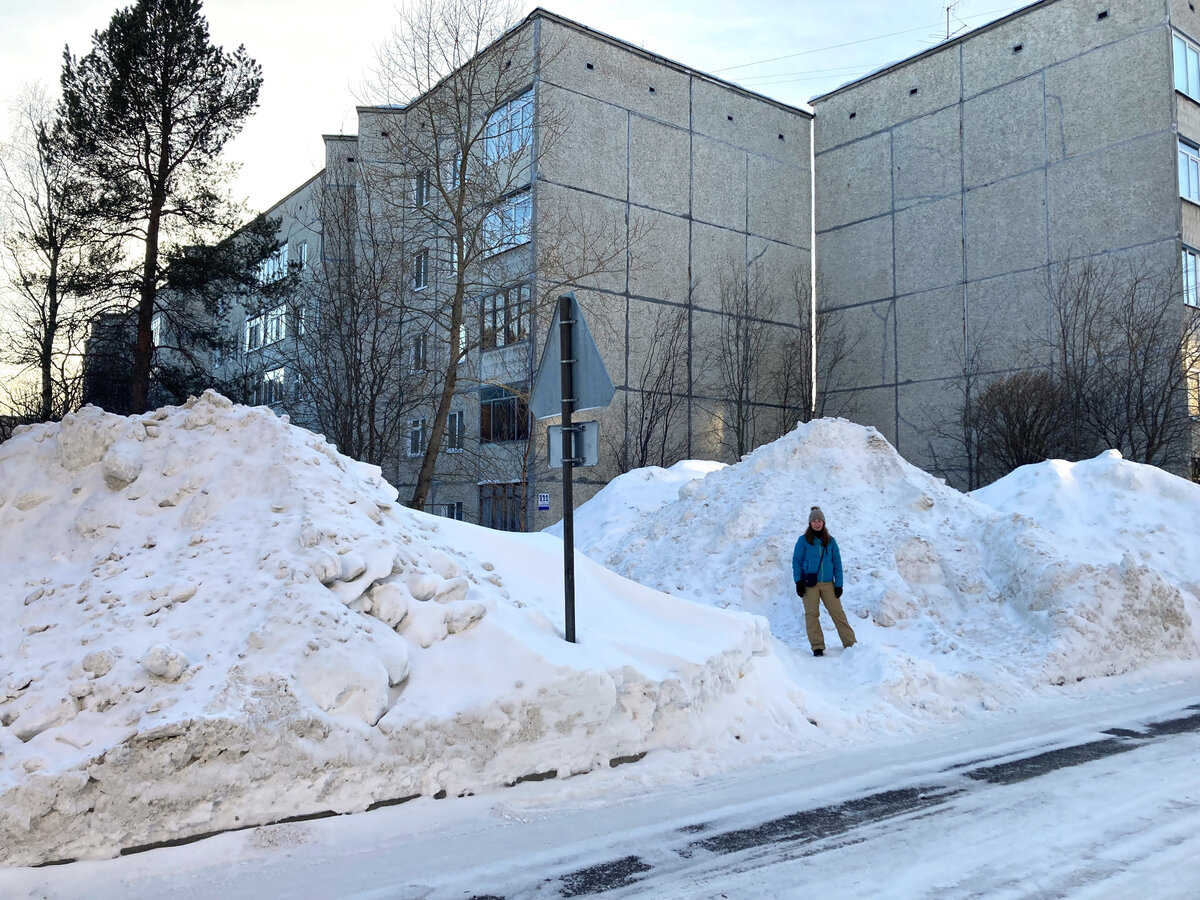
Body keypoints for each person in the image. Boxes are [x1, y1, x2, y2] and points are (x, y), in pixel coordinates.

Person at [792, 506, 857, 657]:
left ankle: (850, 643)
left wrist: (839, 584)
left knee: (838, 613)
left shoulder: (831, 541)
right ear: (810, 523)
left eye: (819, 520)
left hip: (828, 584)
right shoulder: (803, 541)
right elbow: (796, 561)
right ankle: (817, 646)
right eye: (813, 521)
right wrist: (798, 582)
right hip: (809, 584)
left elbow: (837, 563)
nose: (816, 523)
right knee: (812, 615)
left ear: (823, 522)